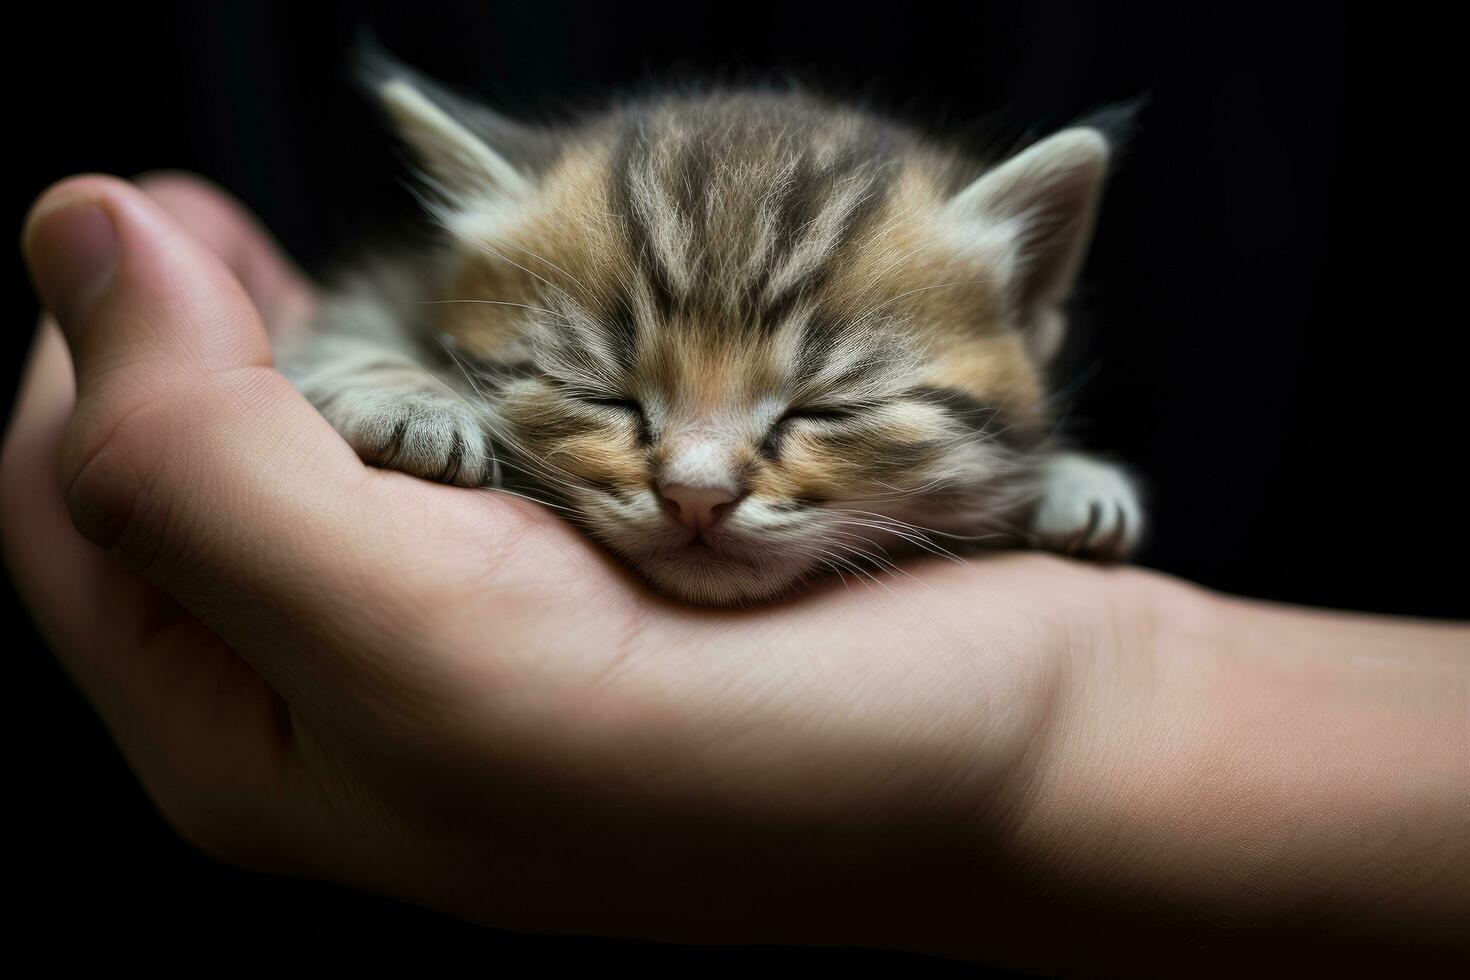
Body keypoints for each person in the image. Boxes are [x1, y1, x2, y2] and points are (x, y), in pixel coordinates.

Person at [5, 173, 1466, 971]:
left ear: (1027, 316)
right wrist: (377, 376)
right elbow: (361, 327)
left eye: (812, 415)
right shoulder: (473, 304)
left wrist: (1023, 531)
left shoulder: (974, 384)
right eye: (616, 403)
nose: (696, 486)